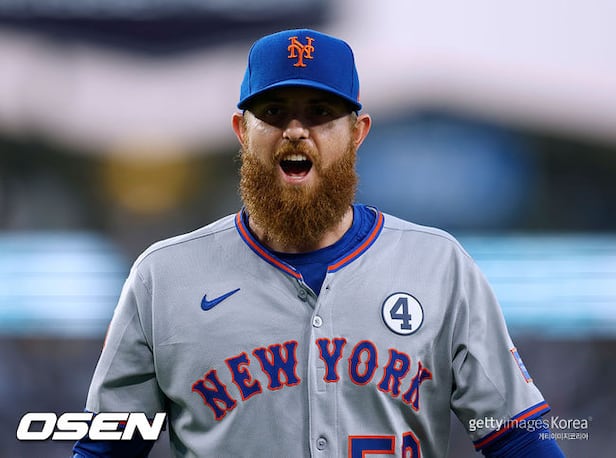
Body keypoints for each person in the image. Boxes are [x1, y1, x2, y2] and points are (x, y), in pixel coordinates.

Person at [74, 29, 565, 457]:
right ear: (241, 131)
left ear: (357, 134)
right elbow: (105, 448)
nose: (295, 130)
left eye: (320, 113)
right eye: (273, 112)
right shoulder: (163, 277)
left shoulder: (439, 266)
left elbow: (519, 439)